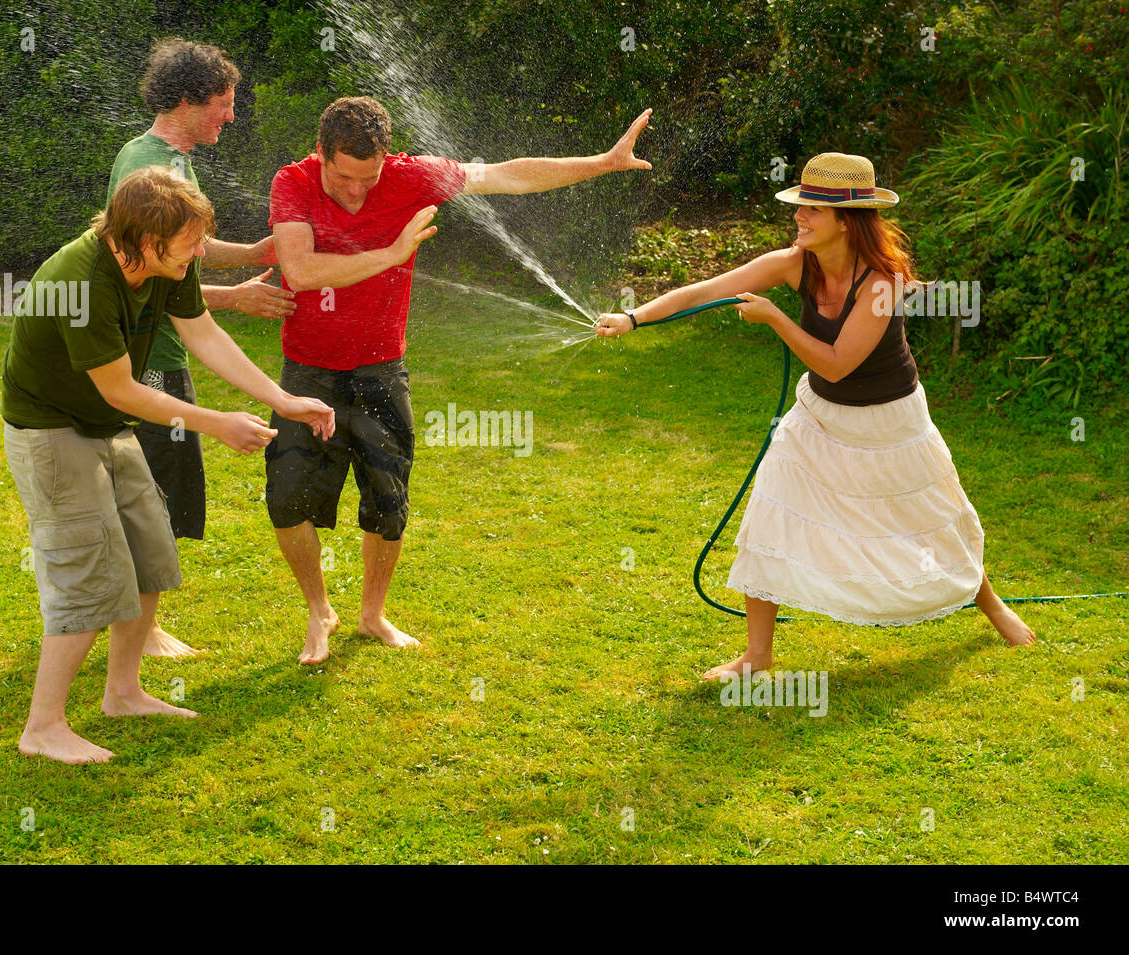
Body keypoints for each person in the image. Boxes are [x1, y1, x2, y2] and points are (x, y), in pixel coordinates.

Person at [596, 152, 1036, 680]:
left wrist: (776, 317)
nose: (799, 218)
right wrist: (633, 318)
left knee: (931, 518)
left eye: (812, 211)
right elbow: (707, 289)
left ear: (847, 221)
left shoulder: (881, 285)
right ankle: (756, 657)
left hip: (890, 421)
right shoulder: (793, 262)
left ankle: (991, 605)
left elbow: (837, 362)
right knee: (772, 506)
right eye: (800, 207)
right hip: (819, 414)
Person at [268, 96, 654, 664]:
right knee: (289, 499)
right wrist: (393, 251)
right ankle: (318, 610)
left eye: (369, 179)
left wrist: (601, 161)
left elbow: (507, 176)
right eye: (345, 178)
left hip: (380, 367)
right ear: (321, 153)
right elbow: (299, 271)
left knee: (387, 498)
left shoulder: (411, 177)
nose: (357, 191)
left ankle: (372, 614)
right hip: (308, 368)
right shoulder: (293, 183)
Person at [2, 166, 335, 764]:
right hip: (51, 431)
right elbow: (122, 391)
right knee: (88, 572)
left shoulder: (166, 265)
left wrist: (280, 401)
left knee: (150, 552)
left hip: (105, 426)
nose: (202, 251)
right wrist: (218, 423)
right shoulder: (80, 282)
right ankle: (43, 727)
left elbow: (203, 333)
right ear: (145, 244)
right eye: (192, 244)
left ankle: (123, 692)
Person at [109, 38, 296, 657]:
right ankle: (142, 630)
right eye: (223, 102)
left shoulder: (169, 161)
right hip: (151, 359)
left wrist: (251, 254)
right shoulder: (150, 166)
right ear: (188, 98)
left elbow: (183, 243)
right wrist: (232, 298)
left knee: (160, 486)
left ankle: (139, 622)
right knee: (155, 489)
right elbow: (144, 269)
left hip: (161, 353)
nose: (231, 116)